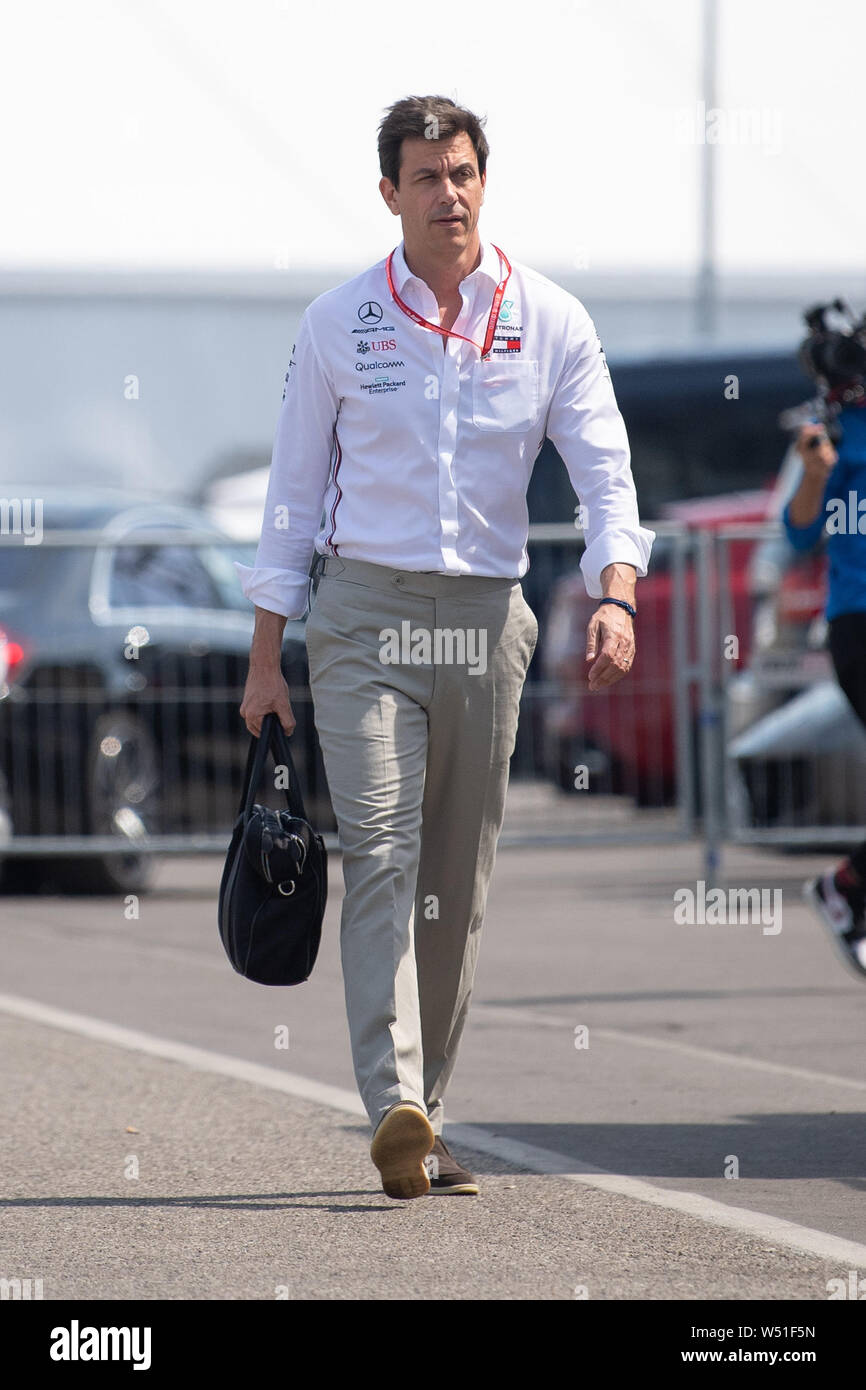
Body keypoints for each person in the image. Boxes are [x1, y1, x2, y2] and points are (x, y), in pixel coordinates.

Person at [235, 95, 655, 1199]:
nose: (448, 193)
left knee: (453, 885)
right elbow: (290, 497)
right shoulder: (337, 323)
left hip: (484, 621)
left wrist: (615, 594)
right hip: (362, 616)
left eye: (462, 172)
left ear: (483, 180)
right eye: (425, 177)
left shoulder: (550, 318)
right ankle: (393, 1100)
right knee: (379, 851)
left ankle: (428, 1116)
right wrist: (266, 651)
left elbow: (606, 472)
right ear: (389, 193)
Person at [784, 408, 866, 978]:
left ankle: (846, 885)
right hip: (859, 622)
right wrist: (815, 472)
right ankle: (846, 887)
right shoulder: (837, 433)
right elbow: (799, 531)